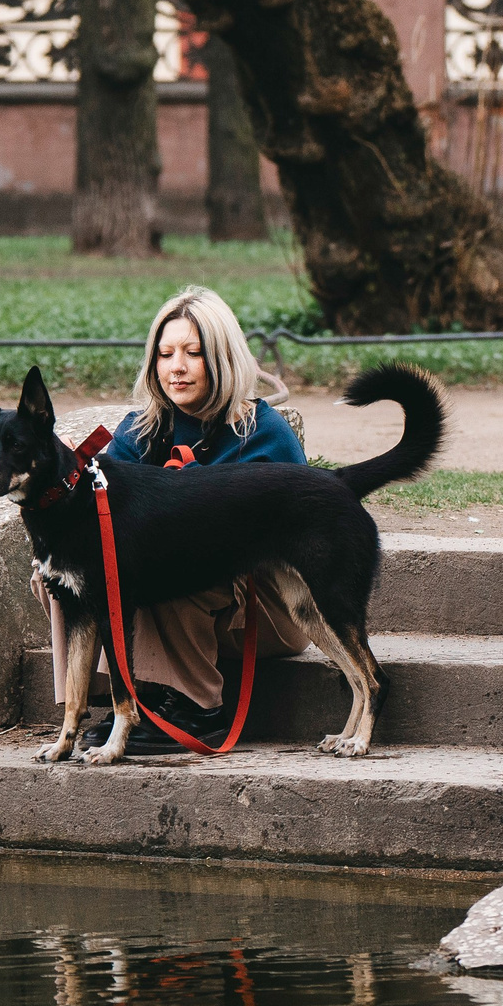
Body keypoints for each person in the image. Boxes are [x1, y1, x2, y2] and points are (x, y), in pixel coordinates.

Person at [99, 285, 319, 754]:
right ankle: (125, 699)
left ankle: (199, 711)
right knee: (66, 571)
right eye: (165, 353)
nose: (176, 366)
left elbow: (304, 544)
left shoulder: (263, 433)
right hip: (190, 603)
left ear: (222, 358)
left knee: (178, 562)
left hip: (272, 607)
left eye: (193, 353)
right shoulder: (141, 429)